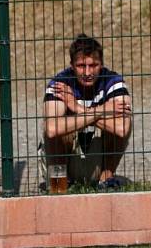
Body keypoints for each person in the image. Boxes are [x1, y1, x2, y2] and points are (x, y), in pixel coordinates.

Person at [40, 34, 132, 191]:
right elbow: (51, 129)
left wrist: (78, 109)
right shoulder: (60, 84)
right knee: (59, 130)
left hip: (96, 157)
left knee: (116, 127)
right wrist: (102, 110)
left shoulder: (113, 81)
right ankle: (59, 185)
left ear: (101, 64)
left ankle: (106, 181)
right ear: (72, 65)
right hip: (65, 159)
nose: (88, 72)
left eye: (93, 65)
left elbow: (122, 128)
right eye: (82, 66)